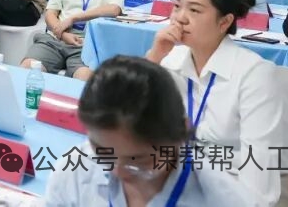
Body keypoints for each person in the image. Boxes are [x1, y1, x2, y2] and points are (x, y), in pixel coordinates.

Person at [146, 0, 288, 206]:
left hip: (280, 189)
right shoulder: (170, 60)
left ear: (224, 22)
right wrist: (154, 56)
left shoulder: (254, 75)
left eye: (195, 10)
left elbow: (259, 183)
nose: (180, 18)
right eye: (177, 6)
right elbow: (125, 122)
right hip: (207, 177)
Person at [45, 56, 261, 207]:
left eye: (137, 160)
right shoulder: (76, 168)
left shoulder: (225, 200)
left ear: (181, 135)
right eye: (101, 151)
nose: (117, 171)